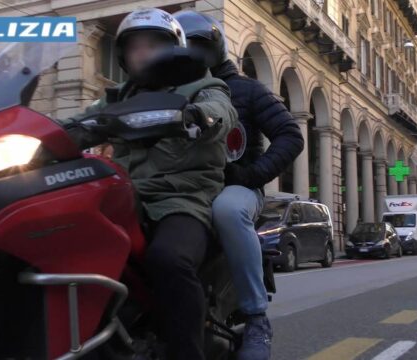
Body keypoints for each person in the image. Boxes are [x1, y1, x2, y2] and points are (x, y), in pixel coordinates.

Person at [62, 9, 237, 360]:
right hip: (123, 196)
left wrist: (198, 117)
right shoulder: (116, 99)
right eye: (135, 46)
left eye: (154, 44)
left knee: (168, 258)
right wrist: (37, 135)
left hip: (183, 197)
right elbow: (78, 124)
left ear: (175, 48)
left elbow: (220, 111)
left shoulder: (201, 85)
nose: (143, 52)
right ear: (123, 55)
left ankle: (186, 353)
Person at [174, 11, 304, 360]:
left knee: (228, 210)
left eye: (198, 46)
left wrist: (250, 175)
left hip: (238, 188)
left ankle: (256, 316)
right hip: (184, 187)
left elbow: (290, 136)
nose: (191, 53)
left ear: (216, 48)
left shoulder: (245, 89)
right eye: (183, 46)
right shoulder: (170, 90)